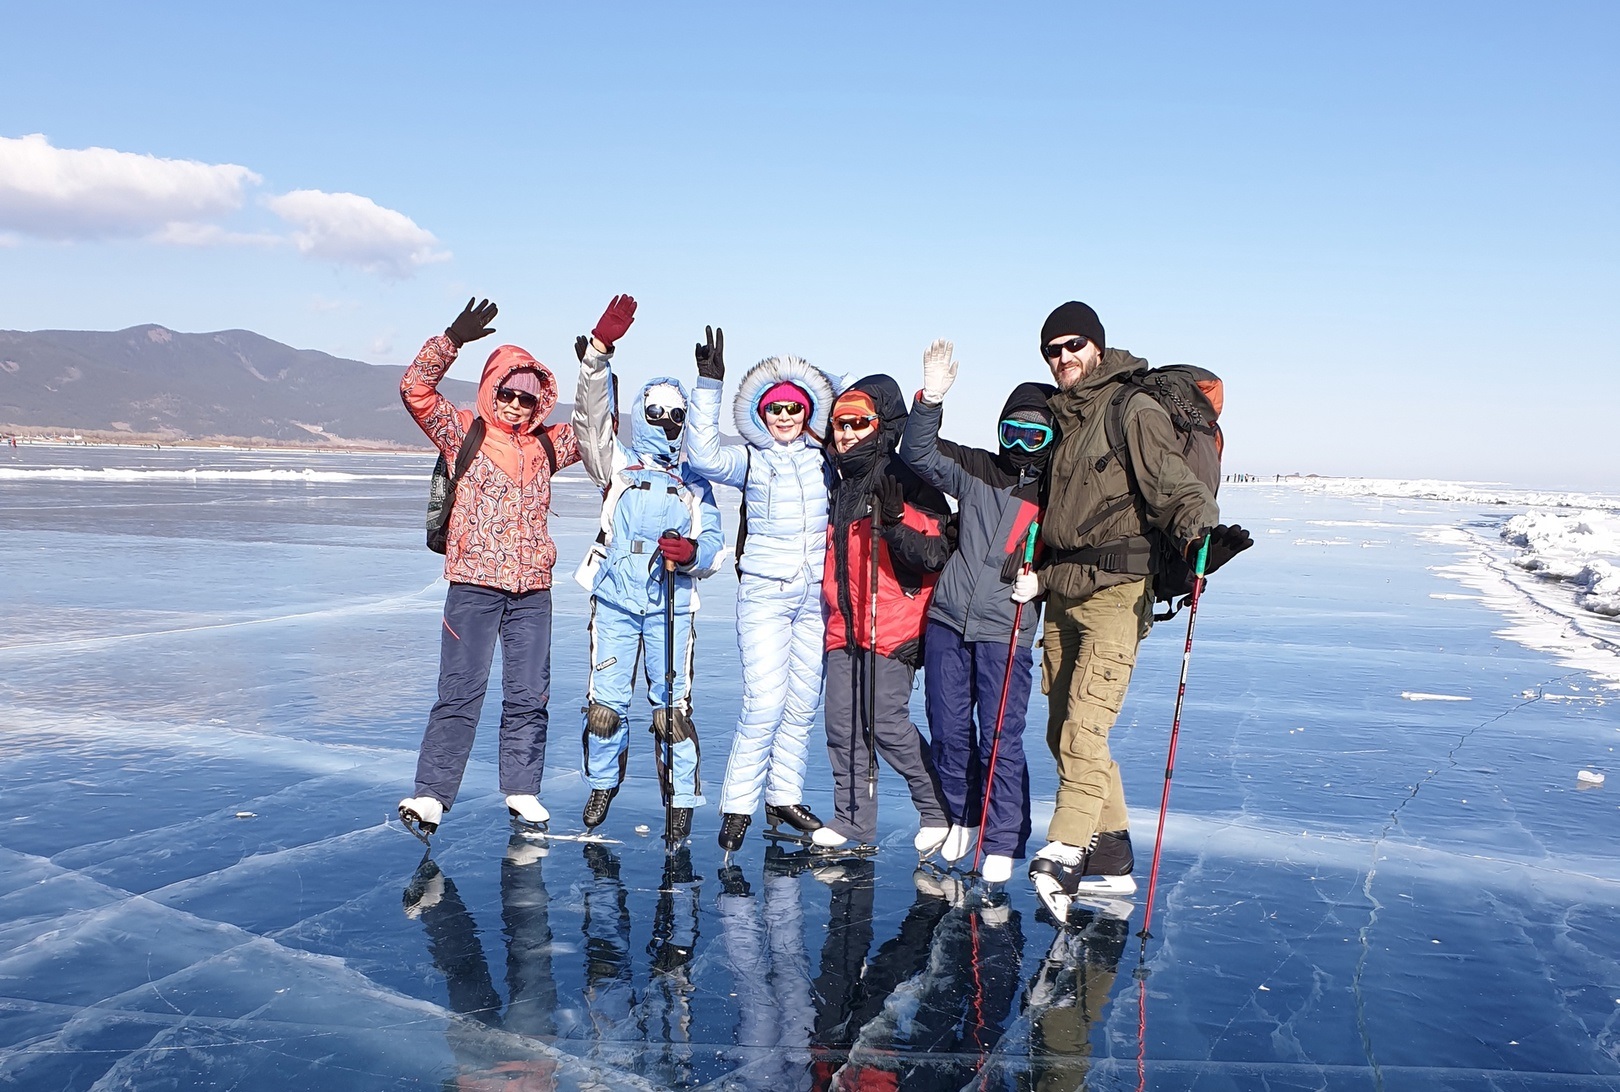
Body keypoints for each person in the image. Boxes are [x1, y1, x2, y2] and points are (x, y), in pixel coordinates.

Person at [1024, 301, 1250, 916]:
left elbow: (1177, 487)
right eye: (1053, 350)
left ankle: (1066, 849)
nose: (1063, 358)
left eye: (1073, 345)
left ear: (1097, 346)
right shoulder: (1065, 419)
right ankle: (1112, 854)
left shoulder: (1132, 408)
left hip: (1117, 591)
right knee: (1059, 729)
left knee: (1084, 728)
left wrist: (1201, 532)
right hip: (1062, 588)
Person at [397, 298, 581, 837]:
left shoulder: (550, 443)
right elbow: (415, 390)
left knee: (530, 693)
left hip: (532, 593)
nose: (518, 405)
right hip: (474, 588)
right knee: (460, 690)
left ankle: (522, 789)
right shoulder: (463, 432)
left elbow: (599, 426)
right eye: (509, 393)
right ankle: (431, 795)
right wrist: (450, 339)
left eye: (529, 397)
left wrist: (596, 361)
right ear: (491, 389)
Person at [897, 338, 1055, 885]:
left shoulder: (1056, 493)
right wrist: (930, 400)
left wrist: (1046, 582)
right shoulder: (979, 469)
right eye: (1012, 432)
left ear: (1051, 440)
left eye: (1035, 435)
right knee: (947, 727)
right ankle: (962, 815)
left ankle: (1004, 837)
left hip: (1005, 628)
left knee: (999, 738)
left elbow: (1075, 550)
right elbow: (917, 454)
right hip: (948, 619)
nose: (1021, 446)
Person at [571, 295, 724, 842]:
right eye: (656, 413)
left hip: (670, 606)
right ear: (642, 413)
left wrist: (693, 555)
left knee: (672, 706)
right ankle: (602, 782)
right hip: (614, 600)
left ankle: (680, 798)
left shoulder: (695, 482)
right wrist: (598, 355)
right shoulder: (617, 465)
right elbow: (589, 419)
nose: (665, 422)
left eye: (675, 415)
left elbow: (714, 543)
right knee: (606, 703)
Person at [682, 326, 839, 852]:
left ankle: (783, 797)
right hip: (766, 597)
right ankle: (738, 805)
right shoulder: (750, 460)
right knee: (764, 701)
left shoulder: (826, 461)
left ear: (808, 412)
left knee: (802, 703)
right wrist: (709, 385)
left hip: (815, 595)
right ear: (761, 414)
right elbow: (702, 457)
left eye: (795, 409)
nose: (786, 418)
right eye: (776, 410)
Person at [813, 375, 953, 856]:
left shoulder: (905, 475)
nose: (847, 433)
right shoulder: (840, 479)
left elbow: (933, 552)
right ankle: (853, 820)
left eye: (858, 422)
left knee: (886, 722)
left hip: (892, 625)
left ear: (881, 424)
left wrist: (896, 524)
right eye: (839, 424)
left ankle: (938, 809)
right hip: (844, 623)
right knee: (842, 726)